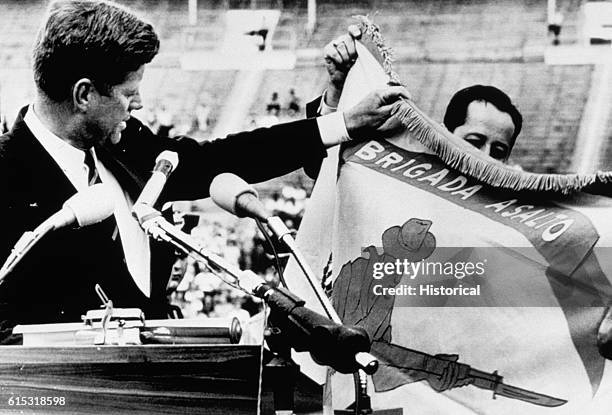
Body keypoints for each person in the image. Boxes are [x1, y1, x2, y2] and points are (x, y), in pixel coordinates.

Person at [0, 0, 409, 344]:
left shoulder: (121, 143)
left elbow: (220, 159)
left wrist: (343, 123)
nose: (139, 104)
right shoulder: (6, 176)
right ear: (84, 95)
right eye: (129, 93)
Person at [312, 27, 523, 164]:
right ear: (446, 134)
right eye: (474, 142)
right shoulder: (407, 171)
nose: (485, 157)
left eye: (498, 151)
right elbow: (324, 171)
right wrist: (338, 90)